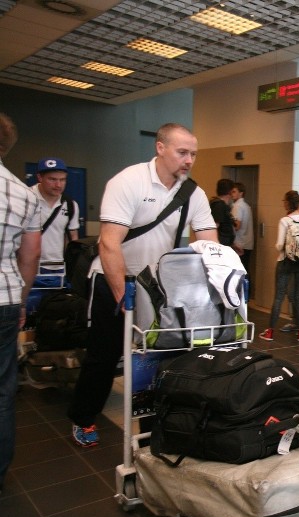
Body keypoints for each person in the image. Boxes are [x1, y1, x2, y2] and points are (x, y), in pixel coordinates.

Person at [66, 123, 217, 447]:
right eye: (182, 152)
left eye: (193, 154)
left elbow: (209, 245)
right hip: (112, 281)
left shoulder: (193, 193)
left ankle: (153, 430)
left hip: (159, 289)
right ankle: (84, 417)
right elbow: (109, 243)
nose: (189, 160)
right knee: (103, 357)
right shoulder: (128, 181)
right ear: (160, 148)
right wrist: (124, 296)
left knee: (161, 357)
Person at [0, 113, 41, 494]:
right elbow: (30, 256)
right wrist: (23, 299)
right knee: (3, 387)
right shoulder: (23, 193)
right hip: (6, 298)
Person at [260, 190, 299, 343]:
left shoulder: (285, 220)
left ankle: (270, 332)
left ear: (287, 203)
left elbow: (279, 245)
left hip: (285, 262)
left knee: (279, 297)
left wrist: (288, 247)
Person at [31, 157, 79, 263]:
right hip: (29, 266)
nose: (58, 185)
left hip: (59, 268)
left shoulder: (70, 205)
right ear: (40, 177)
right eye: (52, 179)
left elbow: (72, 237)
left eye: (62, 180)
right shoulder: (25, 199)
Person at [230, 181, 254, 275]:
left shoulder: (237, 206)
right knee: (245, 271)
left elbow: (237, 225)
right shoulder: (246, 206)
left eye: (234, 191)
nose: (232, 194)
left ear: (241, 193)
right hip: (247, 243)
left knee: (238, 273)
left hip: (239, 244)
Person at [210, 178, 237, 247]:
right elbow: (215, 227)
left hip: (225, 244)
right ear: (229, 192)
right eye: (233, 191)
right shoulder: (219, 206)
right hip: (221, 245)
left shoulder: (223, 206)